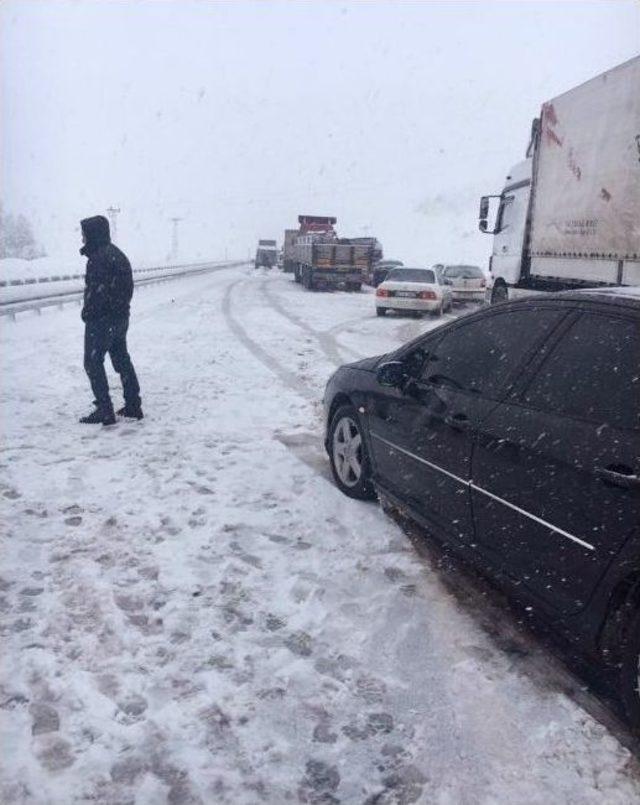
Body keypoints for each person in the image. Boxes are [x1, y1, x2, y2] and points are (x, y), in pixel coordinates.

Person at [79, 215, 143, 425]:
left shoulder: (98, 258)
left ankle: (105, 409)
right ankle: (133, 405)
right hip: (120, 319)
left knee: (92, 362)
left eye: (84, 234)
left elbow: (96, 294)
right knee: (121, 359)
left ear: (93, 234)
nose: (82, 239)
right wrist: (119, 311)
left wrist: (88, 312)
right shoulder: (117, 254)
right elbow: (127, 289)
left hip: (101, 321)